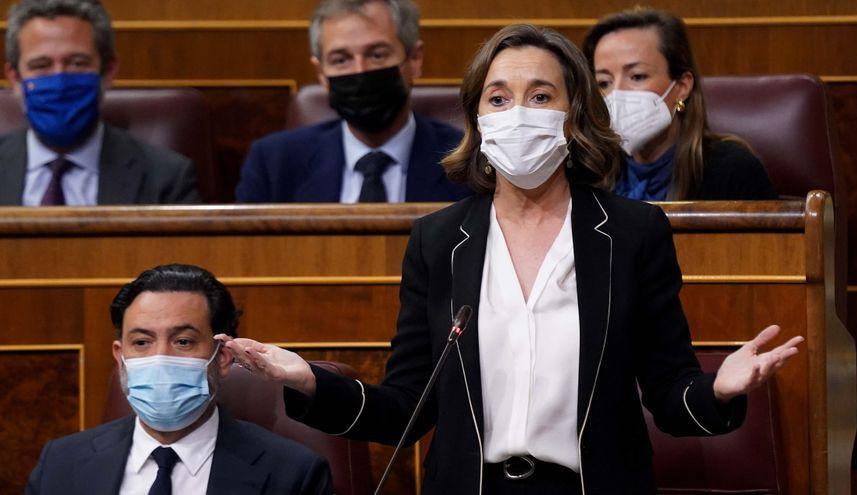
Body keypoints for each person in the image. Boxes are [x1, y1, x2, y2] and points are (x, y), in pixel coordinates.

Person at [219, 25, 803, 494]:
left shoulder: (631, 232)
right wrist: (307, 381)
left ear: (574, 114)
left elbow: (670, 395)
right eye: (499, 98)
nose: (518, 112)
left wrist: (719, 391)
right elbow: (405, 409)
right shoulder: (438, 240)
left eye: (541, 96)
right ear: (478, 118)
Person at [27, 264, 332, 495]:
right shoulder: (61, 464)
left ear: (223, 357)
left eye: (183, 341)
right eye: (142, 342)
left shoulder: (292, 474)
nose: (159, 358)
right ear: (120, 356)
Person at [235, 0, 469, 203]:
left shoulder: (469, 163)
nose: (360, 71)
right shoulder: (273, 163)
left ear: (415, 60)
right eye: (341, 60)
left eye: (377, 55)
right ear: (321, 73)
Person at [0, 0, 200, 206]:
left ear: (108, 71)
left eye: (77, 62)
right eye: (41, 65)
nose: (59, 80)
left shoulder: (167, 177)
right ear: (15, 78)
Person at [582, 7, 777, 201]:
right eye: (604, 83)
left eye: (637, 76)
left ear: (682, 86)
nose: (617, 93)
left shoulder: (732, 169)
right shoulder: (590, 171)